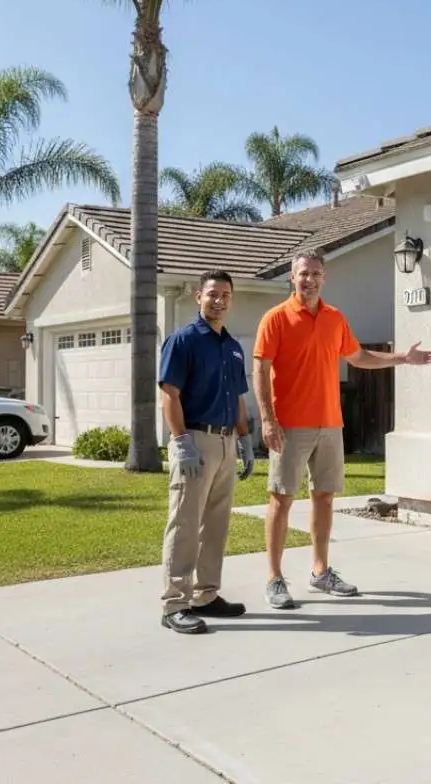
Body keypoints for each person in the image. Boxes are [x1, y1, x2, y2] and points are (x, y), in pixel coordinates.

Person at [253, 248, 431, 610]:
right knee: (281, 498)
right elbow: (260, 369)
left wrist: (401, 358)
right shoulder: (275, 319)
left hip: (330, 424)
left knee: (324, 496)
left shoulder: (335, 318)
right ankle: (274, 578)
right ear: (293, 276)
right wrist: (267, 419)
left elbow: (358, 357)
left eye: (316, 273)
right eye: (303, 273)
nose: (309, 279)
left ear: (324, 277)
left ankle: (321, 571)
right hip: (289, 425)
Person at [157, 269, 256, 635]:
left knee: (216, 523)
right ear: (199, 296)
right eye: (212, 294)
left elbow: (239, 398)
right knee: (184, 523)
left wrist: (244, 441)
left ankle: (205, 595)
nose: (219, 300)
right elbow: (170, 393)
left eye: (226, 295)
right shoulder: (182, 341)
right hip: (195, 440)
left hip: (227, 441)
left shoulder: (232, 346)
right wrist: (180, 441)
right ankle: (174, 603)